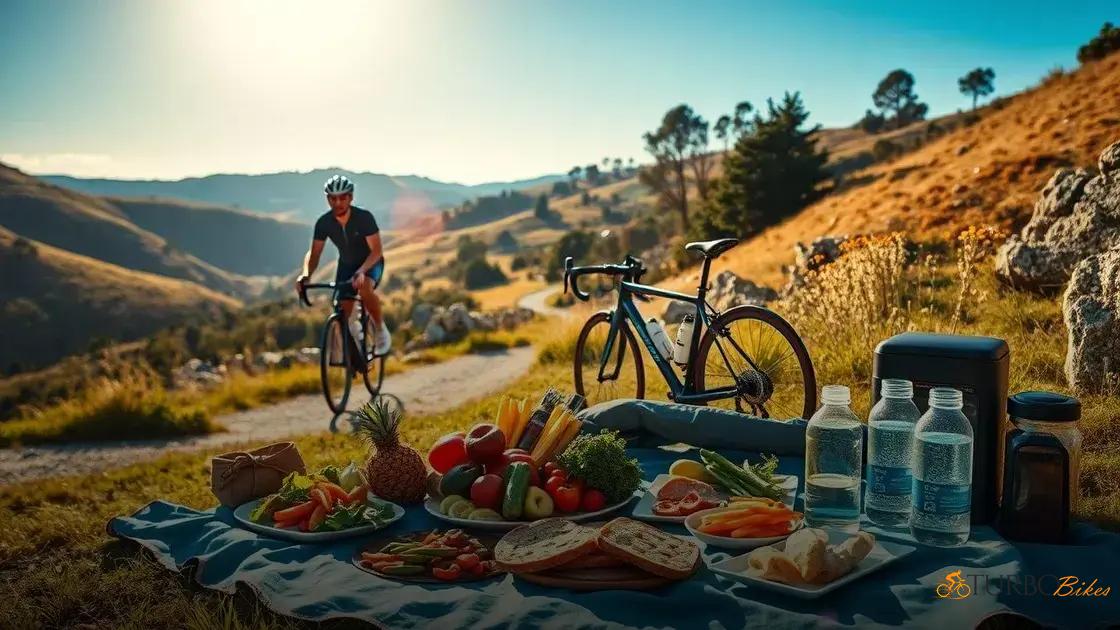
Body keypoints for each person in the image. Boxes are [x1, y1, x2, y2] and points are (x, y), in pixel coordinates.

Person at [296, 175, 391, 363]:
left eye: (342, 197)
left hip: (371, 262)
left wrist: (362, 271)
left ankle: (380, 329)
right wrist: (306, 275)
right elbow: (314, 255)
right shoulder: (324, 223)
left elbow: (377, 251)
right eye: (332, 198)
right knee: (341, 311)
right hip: (347, 265)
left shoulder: (364, 218)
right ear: (327, 199)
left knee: (364, 289)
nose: (337, 202)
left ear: (351, 197)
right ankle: (354, 340)